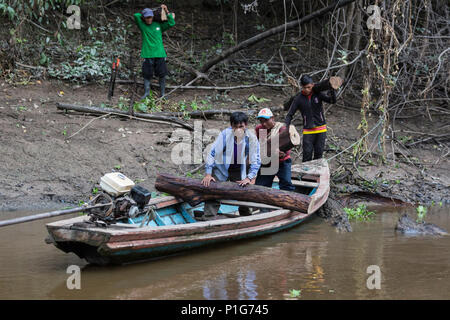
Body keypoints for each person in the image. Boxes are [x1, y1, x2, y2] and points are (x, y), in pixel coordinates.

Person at [201, 112, 261, 220]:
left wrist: (249, 177)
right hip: (221, 167)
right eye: (235, 127)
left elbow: (255, 160)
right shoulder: (225, 134)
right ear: (231, 126)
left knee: (244, 193)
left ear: (246, 126)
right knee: (213, 189)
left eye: (241, 127)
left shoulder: (251, 138)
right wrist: (208, 173)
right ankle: (208, 217)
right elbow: (212, 153)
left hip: (238, 169)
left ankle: (246, 217)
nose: (238, 130)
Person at [285, 75, 336, 162]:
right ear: (301, 87)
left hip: (321, 129)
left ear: (312, 85)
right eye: (305, 88)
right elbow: (290, 114)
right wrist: (285, 128)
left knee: (318, 154)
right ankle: (304, 175)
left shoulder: (318, 94)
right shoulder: (298, 99)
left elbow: (332, 101)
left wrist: (332, 89)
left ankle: (316, 175)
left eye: (309, 87)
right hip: (308, 131)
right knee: (307, 155)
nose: (307, 90)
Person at [134, 5, 175, 100]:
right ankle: (146, 93)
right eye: (147, 17)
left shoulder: (158, 25)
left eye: (150, 17)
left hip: (160, 54)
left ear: (153, 17)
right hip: (148, 54)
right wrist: (152, 10)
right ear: (144, 18)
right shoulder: (142, 26)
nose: (149, 19)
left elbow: (171, 23)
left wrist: (166, 10)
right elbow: (136, 15)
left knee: (162, 74)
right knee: (147, 75)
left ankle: (163, 94)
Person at [255, 108, 295, 191]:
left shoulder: (281, 128)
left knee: (286, 184)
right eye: (261, 121)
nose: (264, 123)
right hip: (267, 161)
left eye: (266, 120)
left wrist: (283, 153)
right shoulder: (260, 129)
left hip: (282, 161)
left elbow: (287, 144)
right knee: (261, 186)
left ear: (272, 118)